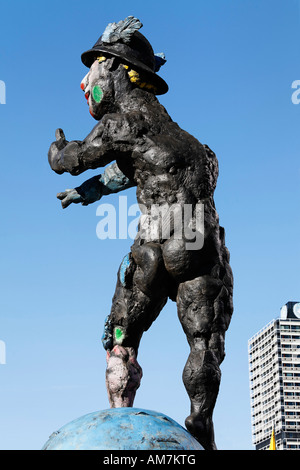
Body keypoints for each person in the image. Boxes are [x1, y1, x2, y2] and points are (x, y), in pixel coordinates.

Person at [48, 16, 233, 450]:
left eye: (91, 69)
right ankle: (201, 425)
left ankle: (119, 419)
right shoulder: (191, 145)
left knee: (121, 335)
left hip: (153, 244)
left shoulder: (122, 120)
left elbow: (78, 156)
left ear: (112, 68)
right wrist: (89, 193)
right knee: (204, 341)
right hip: (199, 242)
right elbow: (135, 166)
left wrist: (56, 150)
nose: (83, 83)